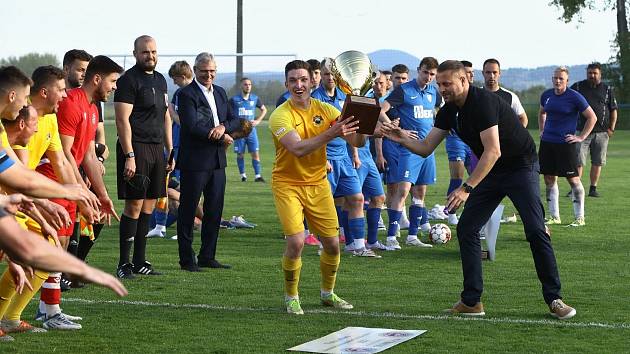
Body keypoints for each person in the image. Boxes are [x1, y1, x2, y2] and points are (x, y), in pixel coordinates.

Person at [382, 59, 577, 320]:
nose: (442, 89)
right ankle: (472, 301)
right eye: (439, 84)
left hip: (521, 166)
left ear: (464, 80)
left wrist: (466, 188)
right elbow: (427, 147)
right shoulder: (449, 110)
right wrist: (400, 138)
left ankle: (554, 299)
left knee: (535, 229)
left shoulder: (483, 102)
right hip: (492, 170)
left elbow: (493, 150)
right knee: (467, 228)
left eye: (447, 83)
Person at [270, 59, 366, 314]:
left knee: (333, 244)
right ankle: (291, 296)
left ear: (312, 81)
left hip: (318, 184)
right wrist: (331, 134)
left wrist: (364, 117)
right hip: (288, 184)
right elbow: (298, 149)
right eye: (293, 80)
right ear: (286, 83)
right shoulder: (280, 115)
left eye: (303, 80)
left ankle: (328, 293)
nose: (298, 85)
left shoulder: (327, 109)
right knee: (296, 242)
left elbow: (357, 140)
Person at [35, 57, 122, 326]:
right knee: (53, 246)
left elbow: (87, 156)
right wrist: (83, 192)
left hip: (69, 184)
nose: (115, 87)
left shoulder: (93, 108)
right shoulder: (71, 103)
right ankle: (44, 312)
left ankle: (48, 309)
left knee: (60, 245)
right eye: (113, 81)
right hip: (54, 180)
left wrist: (102, 194)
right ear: (97, 79)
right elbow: (65, 155)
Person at [114, 35, 174, 278]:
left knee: (149, 205)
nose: (150, 56)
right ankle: (123, 264)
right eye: (145, 52)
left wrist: (170, 150)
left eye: (154, 52)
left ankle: (140, 261)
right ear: (135, 53)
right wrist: (129, 154)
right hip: (136, 148)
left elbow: (166, 117)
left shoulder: (161, 80)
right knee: (135, 205)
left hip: (156, 148)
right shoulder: (128, 80)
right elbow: (121, 120)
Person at [176, 52, 241, 272]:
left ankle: (207, 256)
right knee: (187, 210)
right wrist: (221, 136)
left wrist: (224, 128)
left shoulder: (221, 93)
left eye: (212, 71)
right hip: (194, 160)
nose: (209, 75)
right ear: (195, 70)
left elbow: (234, 120)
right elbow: (191, 126)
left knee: (214, 210)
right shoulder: (186, 94)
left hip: (217, 161)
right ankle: (186, 260)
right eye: (204, 71)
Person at [312, 60, 378, 257]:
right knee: (327, 204)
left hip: (344, 158)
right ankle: (324, 245)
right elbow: (314, 132)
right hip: (326, 158)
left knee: (357, 198)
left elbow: (351, 127)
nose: (330, 78)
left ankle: (357, 246)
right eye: (325, 74)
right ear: (321, 76)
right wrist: (322, 159)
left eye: (333, 74)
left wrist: (355, 154)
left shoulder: (345, 96)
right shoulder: (316, 99)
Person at [378, 57, 442, 249]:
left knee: (420, 193)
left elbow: (440, 112)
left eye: (432, 74)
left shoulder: (434, 93)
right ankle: (391, 237)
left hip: (428, 149)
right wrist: (393, 128)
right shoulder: (404, 90)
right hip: (410, 149)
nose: (428, 77)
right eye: (425, 73)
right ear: (418, 70)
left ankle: (412, 235)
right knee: (402, 191)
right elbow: (381, 109)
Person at [539, 66, 596, 227]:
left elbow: (592, 117)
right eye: (555, 78)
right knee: (549, 179)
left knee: (573, 179)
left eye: (561, 79)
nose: (557, 81)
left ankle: (580, 218)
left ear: (566, 81)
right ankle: (554, 216)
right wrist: (542, 130)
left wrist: (581, 137)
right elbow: (542, 112)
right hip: (547, 143)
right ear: (552, 79)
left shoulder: (575, 97)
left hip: (566, 145)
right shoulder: (547, 95)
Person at [146, 60, 194, 239]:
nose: (174, 83)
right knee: (162, 184)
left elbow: (185, 120)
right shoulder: (179, 94)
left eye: (175, 79)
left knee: (183, 189)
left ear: (182, 77)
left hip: (185, 150)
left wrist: (173, 114)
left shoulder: (191, 94)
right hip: (173, 147)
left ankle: (184, 225)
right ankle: (159, 225)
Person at [570, 62, 618, 197]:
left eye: (595, 73)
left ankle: (593, 189)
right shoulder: (578, 87)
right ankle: (576, 188)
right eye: (590, 73)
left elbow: (613, 111)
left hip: (601, 133)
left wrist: (611, 129)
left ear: (600, 74)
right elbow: (568, 103)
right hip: (581, 132)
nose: (592, 75)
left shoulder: (607, 90)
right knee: (578, 161)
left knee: (597, 161)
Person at [443, 60, 474, 225]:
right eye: (467, 72)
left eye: (472, 72)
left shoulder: (478, 97)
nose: (471, 75)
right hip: (456, 140)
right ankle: (451, 213)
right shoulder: (449, 97)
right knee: (457, 178)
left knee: (476, 179)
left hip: (473, 141)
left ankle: (473, 213)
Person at [230, 77, 268, 182]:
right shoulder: (234, 100)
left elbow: (264, 110)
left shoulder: (255, 98)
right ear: (241, 86)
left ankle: (258, 176)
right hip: (239, 132)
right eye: (246, 84)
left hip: (251, 131)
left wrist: (258, 121)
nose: (248, 86)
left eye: (250, 84)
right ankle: (243, 175)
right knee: (240, 153)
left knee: (255, 153)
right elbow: (227, 112)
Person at [482, 59, 528, 127]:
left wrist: (516, 135)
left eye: (495, 72)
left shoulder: (510, 96)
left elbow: (523, 118)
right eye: (488, 72)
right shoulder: (475, 95)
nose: (491, 76)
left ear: (499, 73)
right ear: (483, 73)